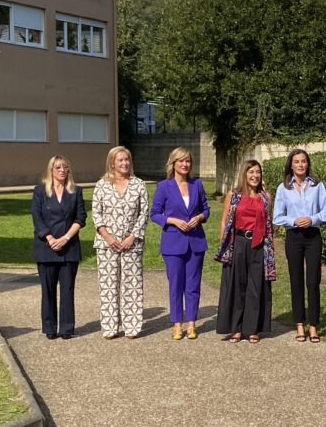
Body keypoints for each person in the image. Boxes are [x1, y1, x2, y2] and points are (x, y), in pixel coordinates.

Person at [273, 149, 326, 343]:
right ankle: (299, 324)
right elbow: (276, 216)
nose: (300, 165)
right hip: (294, 236)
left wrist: (313, 218)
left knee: (313, 281)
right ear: (291, 164)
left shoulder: (317, 186)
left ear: (307, 164)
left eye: (303, 162)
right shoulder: (283, 188)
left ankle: (314, 326)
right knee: (296, 281)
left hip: (313, 236)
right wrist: (293, 221)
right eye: (296, 161)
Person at [150, 147, 210, 340]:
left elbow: (206, 209)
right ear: (173, 163)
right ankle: (177, 324)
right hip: (173, 243)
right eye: (181, 161)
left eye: (188, 161)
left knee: (193, 285)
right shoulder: (163, 186)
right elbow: (155, 214)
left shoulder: (197, 184)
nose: (185, 164)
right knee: (176, 284)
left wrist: (200, 217)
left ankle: (191, 323)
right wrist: (173, 221)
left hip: (195, 242)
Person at [215, 160, 276, 344]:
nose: (255, 175)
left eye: (257, 172)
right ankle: (236, 328)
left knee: (256, 287)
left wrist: (270, 248)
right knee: (236, 285)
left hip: (259, 244)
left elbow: (269, 224)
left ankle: (252, 328)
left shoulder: (266, 197)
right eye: (251, 172)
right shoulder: (233, 195)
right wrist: (224, 244)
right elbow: (224, 220)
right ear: (244, 174)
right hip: (238, 243)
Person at [92, 146, 149, 339]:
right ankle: (110, 327)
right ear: (112, 163)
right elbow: (96, 213)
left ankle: (132, 327)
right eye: (120, 160)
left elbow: (144, 213)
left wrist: (132, 236)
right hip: (106, 244)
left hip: (131, 244)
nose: (124, 163)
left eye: (127, 160)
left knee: (132, 285)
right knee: (108, 286)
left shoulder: (139, 184)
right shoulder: (101, 184)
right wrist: (107, 237)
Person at [31, 156, 86, 340]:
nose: (62, 170)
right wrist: (49, 237)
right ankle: (50, 328)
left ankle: (67, 328)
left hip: (69, 247)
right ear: (51, 170)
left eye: (65, 167)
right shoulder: (40, 191)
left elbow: (80, 218)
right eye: (58, 167)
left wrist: (66, 238)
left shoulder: (76, 191)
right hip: (46, 248)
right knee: (48, 290)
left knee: (67, 290)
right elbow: (37, 217)